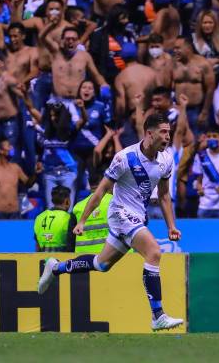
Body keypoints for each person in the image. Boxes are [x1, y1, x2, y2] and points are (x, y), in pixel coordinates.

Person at [37, 113, 184, 331]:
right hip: (120, 213)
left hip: (137, 214)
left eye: (169, 132)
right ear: (149, 133)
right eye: (163, 132)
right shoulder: (125, 158)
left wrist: (171, 226)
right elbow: (101, 190)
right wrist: (82, 220)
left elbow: (163, 195)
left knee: (101, 264)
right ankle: (158, 315)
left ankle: (56, 267)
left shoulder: (166, 160)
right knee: (154, 252)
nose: (167, 137)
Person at [0, 121, 32, 219]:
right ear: (1, 151)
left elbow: (28, 183)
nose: (12, 148)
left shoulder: (15, 167)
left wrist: (35, 174)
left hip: (15, 213)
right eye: (8, 146)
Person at [40, 25, 107, 99]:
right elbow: (42, 36)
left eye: (74, 39)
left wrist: (104, 85)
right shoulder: (55, 53)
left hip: (77, 101)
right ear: (62, 40)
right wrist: (52, 23)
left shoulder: (85, 56)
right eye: (67, 39)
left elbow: (96, 75)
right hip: (58, 101)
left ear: (78, 41)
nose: (71, 41)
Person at [172, 35, 215, 132]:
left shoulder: (203, 64)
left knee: (195, 140)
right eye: (174, 48)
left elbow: (210, 89)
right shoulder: (173, 64)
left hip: (196, 110)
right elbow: (166, 87)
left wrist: (204, 111)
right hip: (177, 109)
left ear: (188, 47)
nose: (175, 51)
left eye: (178, 48)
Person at [34, 185, 76, 252]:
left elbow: (37, 246)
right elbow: (72, 244)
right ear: (67, 201)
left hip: (42, 259)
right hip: (62, 260)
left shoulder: (39, 217)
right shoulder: (70, 218)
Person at [5, 23, 39, 89]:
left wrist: (22, 81)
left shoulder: (32, 51)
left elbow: (35, 71)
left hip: (21, 91)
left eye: (15, 36)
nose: (12, 39)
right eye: (10, 36)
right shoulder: (7, 52)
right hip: (6, 93)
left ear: (23, 36)